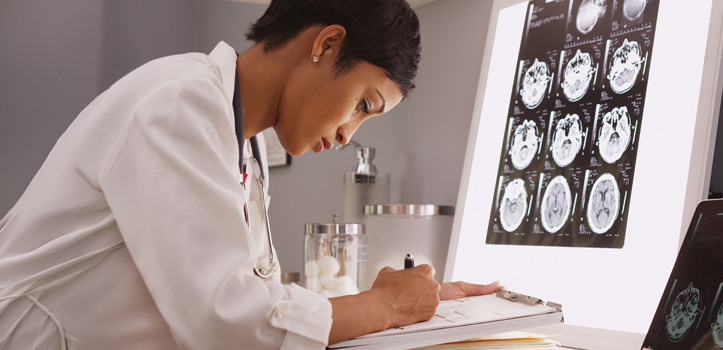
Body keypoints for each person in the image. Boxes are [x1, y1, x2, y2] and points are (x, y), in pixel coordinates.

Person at [0, 0, 500, 348]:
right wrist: (385, 306)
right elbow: (228, 323)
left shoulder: (244, 142)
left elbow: (260, 302)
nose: (348, 133)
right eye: (362, 104)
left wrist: (420, 305)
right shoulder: (179, 103)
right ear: (326, 44)